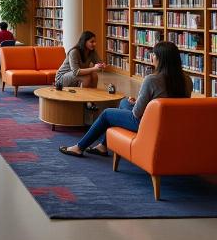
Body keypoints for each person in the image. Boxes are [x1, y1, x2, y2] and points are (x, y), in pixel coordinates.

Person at [60, 41, 193, 157]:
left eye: (154, 54)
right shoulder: (186, 80)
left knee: (107, 114)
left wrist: (138, 104)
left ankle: (79, 147)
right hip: (171, 124)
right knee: (123, 102)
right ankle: (102, 146)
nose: (152, 57)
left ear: (160, 59)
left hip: (148, 125)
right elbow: (173, 104)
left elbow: (136, 114)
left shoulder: (152, 80)